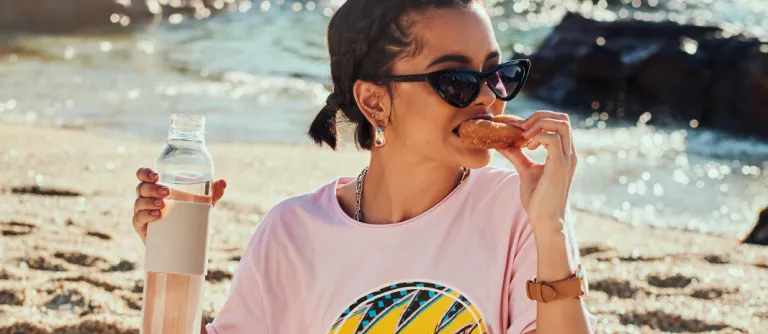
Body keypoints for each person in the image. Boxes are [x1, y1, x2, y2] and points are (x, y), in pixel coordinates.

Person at [132, 0, 597, 332]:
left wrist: (551, 229)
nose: (487, 97)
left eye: (499, 76)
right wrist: (171, 258)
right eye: (457, 80)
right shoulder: (293, 232)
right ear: (374, 101)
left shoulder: (519, 209)